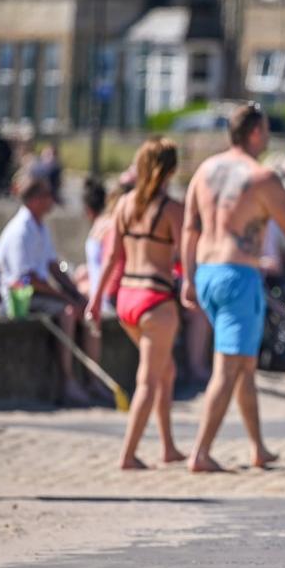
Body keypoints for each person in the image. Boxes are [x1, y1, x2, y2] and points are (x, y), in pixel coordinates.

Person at [181, 103, 285, 473]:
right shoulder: (261, 177)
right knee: (228, 366)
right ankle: (201, 452)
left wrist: (189, 279)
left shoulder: (205, 170)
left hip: (207, 271)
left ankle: (258, 448)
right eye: (266, 130)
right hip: (238, 275)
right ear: (255, 132)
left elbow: (190, 228)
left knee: (244, 364)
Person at [86, 138, 186, 469]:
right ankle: (128, 455)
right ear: (171, 169)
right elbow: (186, 259)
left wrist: (96, 299)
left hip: (127, 298)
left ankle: (168, 446)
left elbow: (111, 257)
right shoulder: (172, 210)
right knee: (148, 380)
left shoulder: (125, 204)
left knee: (166, 371)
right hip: (156, 300)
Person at [0, 167, 94, 405]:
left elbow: (52, 266)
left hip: (37, 291)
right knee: (68, 312)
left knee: (84, 307)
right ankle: (67, 382)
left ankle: (90, 380)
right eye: (47, 195)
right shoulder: (21, 231)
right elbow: (26, 279)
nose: (51, 200)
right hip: (20, 296)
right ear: (36, 199)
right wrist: (67, 299)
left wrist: (76, 294)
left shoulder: (39, 226)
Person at [76, 178, 108, 299]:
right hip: (99, 292)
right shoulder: (107, 224)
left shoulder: (101, 228)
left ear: (87, 209)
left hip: (101, 296)